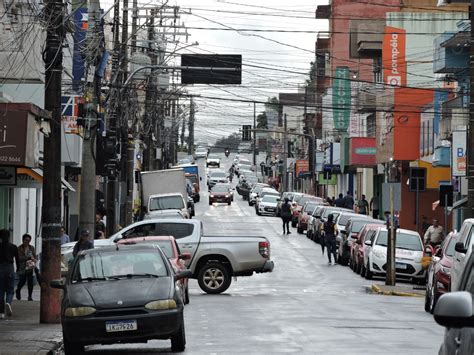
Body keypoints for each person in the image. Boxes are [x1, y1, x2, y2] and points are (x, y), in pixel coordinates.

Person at [0, 229, 19, 318]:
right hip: (10, 268)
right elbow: (17, 259)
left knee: (0, 291)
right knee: (10, 289)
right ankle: (8, 302)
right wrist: (18, 269)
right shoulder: (13, 247)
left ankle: (1, 313)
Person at [15, 234, 36, 301]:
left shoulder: (31, 248)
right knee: (22, 281)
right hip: (22, 268)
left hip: (30, 267)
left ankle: (30, 296)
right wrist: (28, 258)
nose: (27, 242)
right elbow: (19, 258)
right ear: (23, 240)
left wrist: (34, 259)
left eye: (29, 240)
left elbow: (34, 256)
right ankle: (18, 290)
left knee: (30, 283)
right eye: (26, 240)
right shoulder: (19, 248)